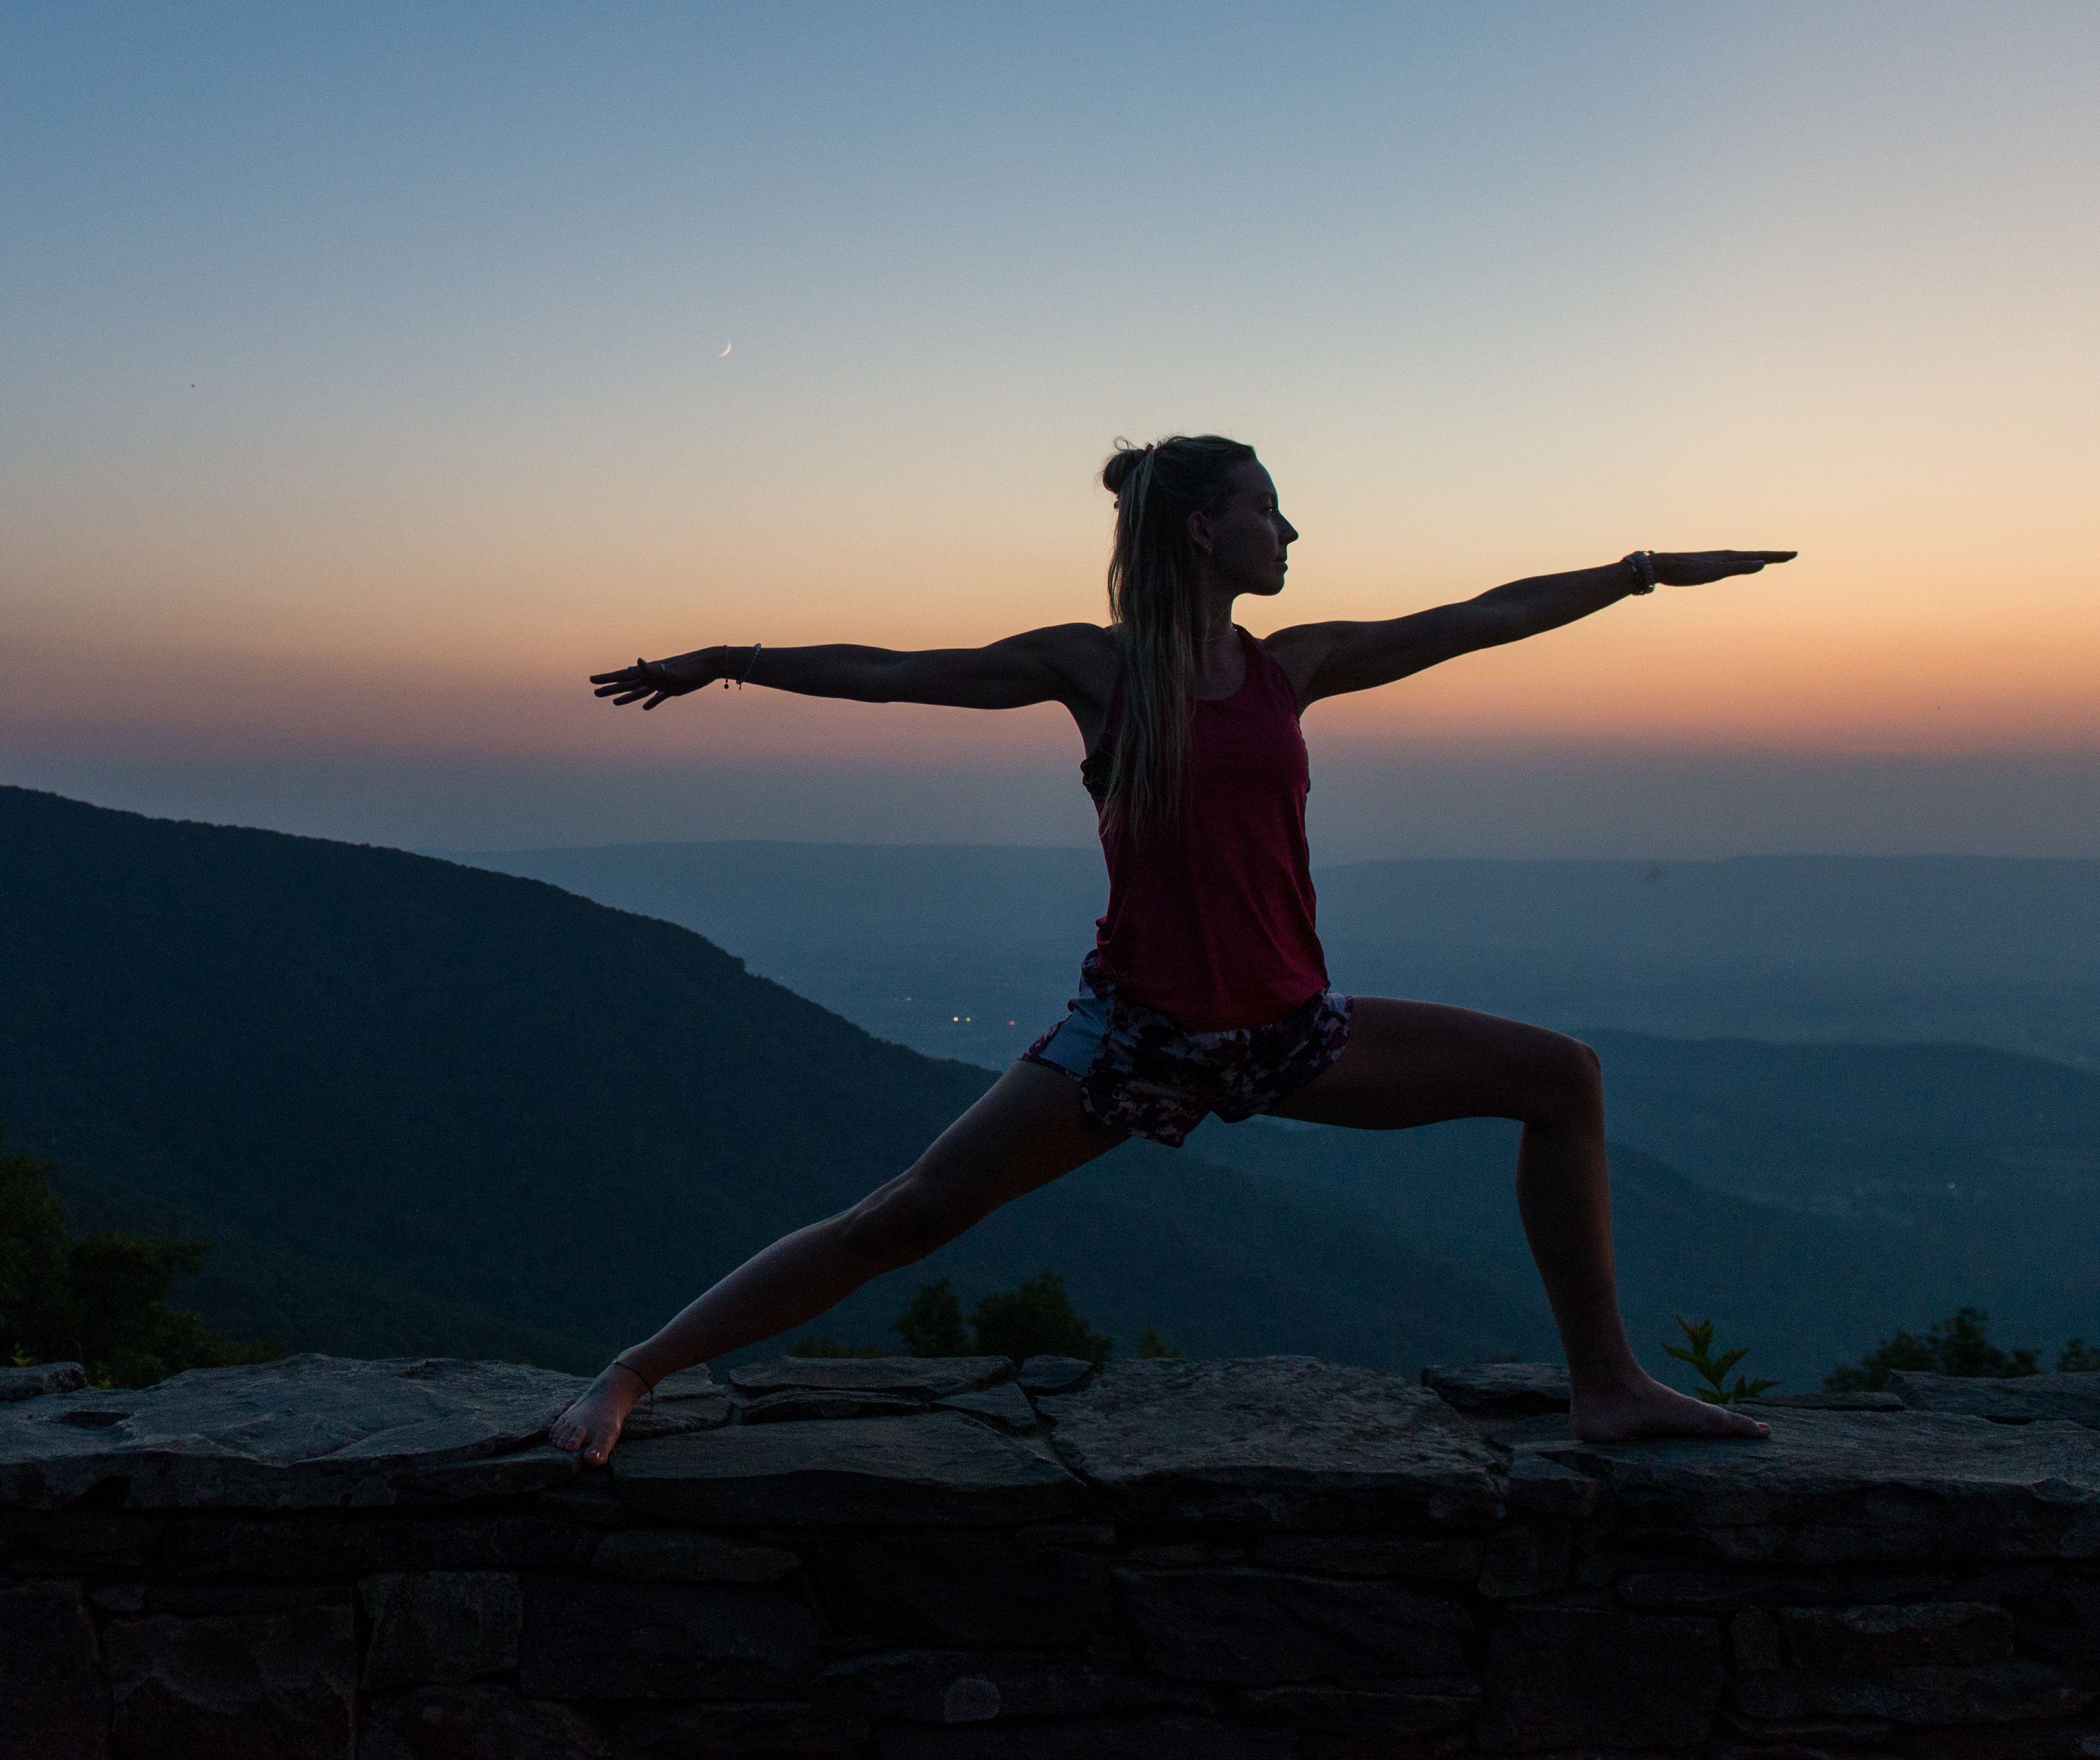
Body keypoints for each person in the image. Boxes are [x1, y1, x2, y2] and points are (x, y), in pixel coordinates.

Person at [550, 433, 1795, 1461]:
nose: (1289, 533)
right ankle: (632, 1370)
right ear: (1204, 529)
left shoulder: (1292, 665)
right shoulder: (1091, 670)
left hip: (1292, 1033)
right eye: (1269, 509)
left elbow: (1482, 616)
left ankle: (1606, 1384)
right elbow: (893, 673)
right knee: (906, 1218)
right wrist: (734, 663)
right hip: (1135, 1037)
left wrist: (1638, 570)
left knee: (1559, 1077)